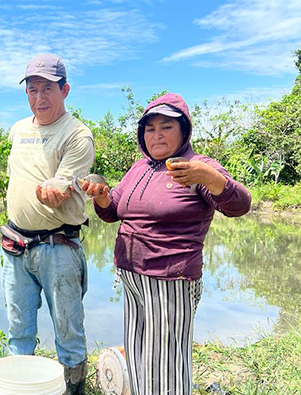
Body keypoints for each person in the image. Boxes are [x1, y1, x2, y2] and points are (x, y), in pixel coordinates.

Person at [82, 93, 251, 395]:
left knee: (167, 366)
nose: (156, 134)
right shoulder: (140, 168)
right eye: (149, 128)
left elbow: (239, 205)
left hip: (170, 280)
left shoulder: (197, 166)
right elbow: (113, 211)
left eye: (166, 127)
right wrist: (102, 197)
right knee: (137, 354)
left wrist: (210, 178)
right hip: (132, 277)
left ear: (184, 131)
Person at [1, 54, 95, 395]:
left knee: (69, 330)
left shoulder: (77, 135)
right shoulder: (18, 129)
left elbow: (63, 182)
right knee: (18, 328)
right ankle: (20, 387)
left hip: (59, 247)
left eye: (47, 89)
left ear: (65, 89)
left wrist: (56, 191)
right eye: (32, 89)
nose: (39, 98)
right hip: (16, 245)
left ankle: (74, 388)